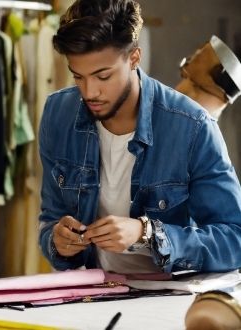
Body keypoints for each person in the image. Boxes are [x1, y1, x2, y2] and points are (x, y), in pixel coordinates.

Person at [37, 0, 241, 274]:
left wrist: (148, 232)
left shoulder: (192, 126)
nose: (89, 92)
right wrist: (56, 240)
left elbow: (234, 239)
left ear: (134, 58)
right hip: (89, 292)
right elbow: (50, 218)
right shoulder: (57, 114)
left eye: (103, 76)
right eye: (78, 77)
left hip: (167, 298)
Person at [175, 35, 241, 119]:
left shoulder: (205, 128)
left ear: (212, 80)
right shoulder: (187, 87)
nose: (191, 59)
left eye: (198, 56)